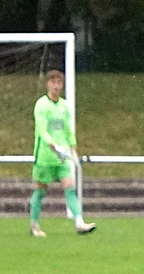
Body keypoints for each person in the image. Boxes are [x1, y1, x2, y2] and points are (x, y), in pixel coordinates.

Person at [30, 69, 95, 238]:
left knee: (70, 188)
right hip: (45, 156)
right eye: (53, 82)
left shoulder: (65, 106)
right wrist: (53, 145)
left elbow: (68, 130)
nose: (56, 86)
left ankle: (79, 223)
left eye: (59, 83)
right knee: (40, 191)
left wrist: (72, 148)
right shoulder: (41, 105)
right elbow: (42, 130)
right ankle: (34, 225)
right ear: (48, 84)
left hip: (62, 156)